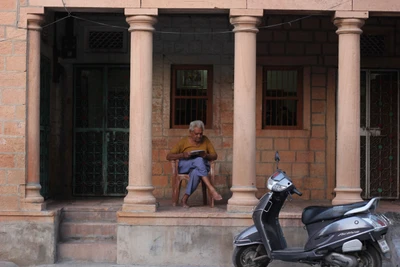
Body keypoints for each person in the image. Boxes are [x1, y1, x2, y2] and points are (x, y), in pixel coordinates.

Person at [166, 120, 222, 208]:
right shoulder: (184, 141)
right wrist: (183, 155)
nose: (199, 136)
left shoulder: (205, 140)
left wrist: (206, 155)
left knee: (196, 172)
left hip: (200, 167)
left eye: (201, 134)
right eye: (196, 134)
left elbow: (214, 156)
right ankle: (212, 189)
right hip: (186, 165)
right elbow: (169, 156)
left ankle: (184, 199)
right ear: (190, 132)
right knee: (199, 160)